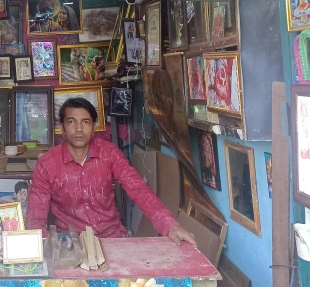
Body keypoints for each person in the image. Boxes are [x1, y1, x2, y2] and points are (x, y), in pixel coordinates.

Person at [26, 98, 196, 245]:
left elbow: (138, 189)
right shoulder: (46, 164)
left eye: (85, 122)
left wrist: (170, 225)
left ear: (93, 127)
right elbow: (35, 217)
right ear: (62, 128)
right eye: (71, 122)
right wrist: (42, 249)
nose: (79, 128)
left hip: (112, 238)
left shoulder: (109, 153)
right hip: (70, 243)